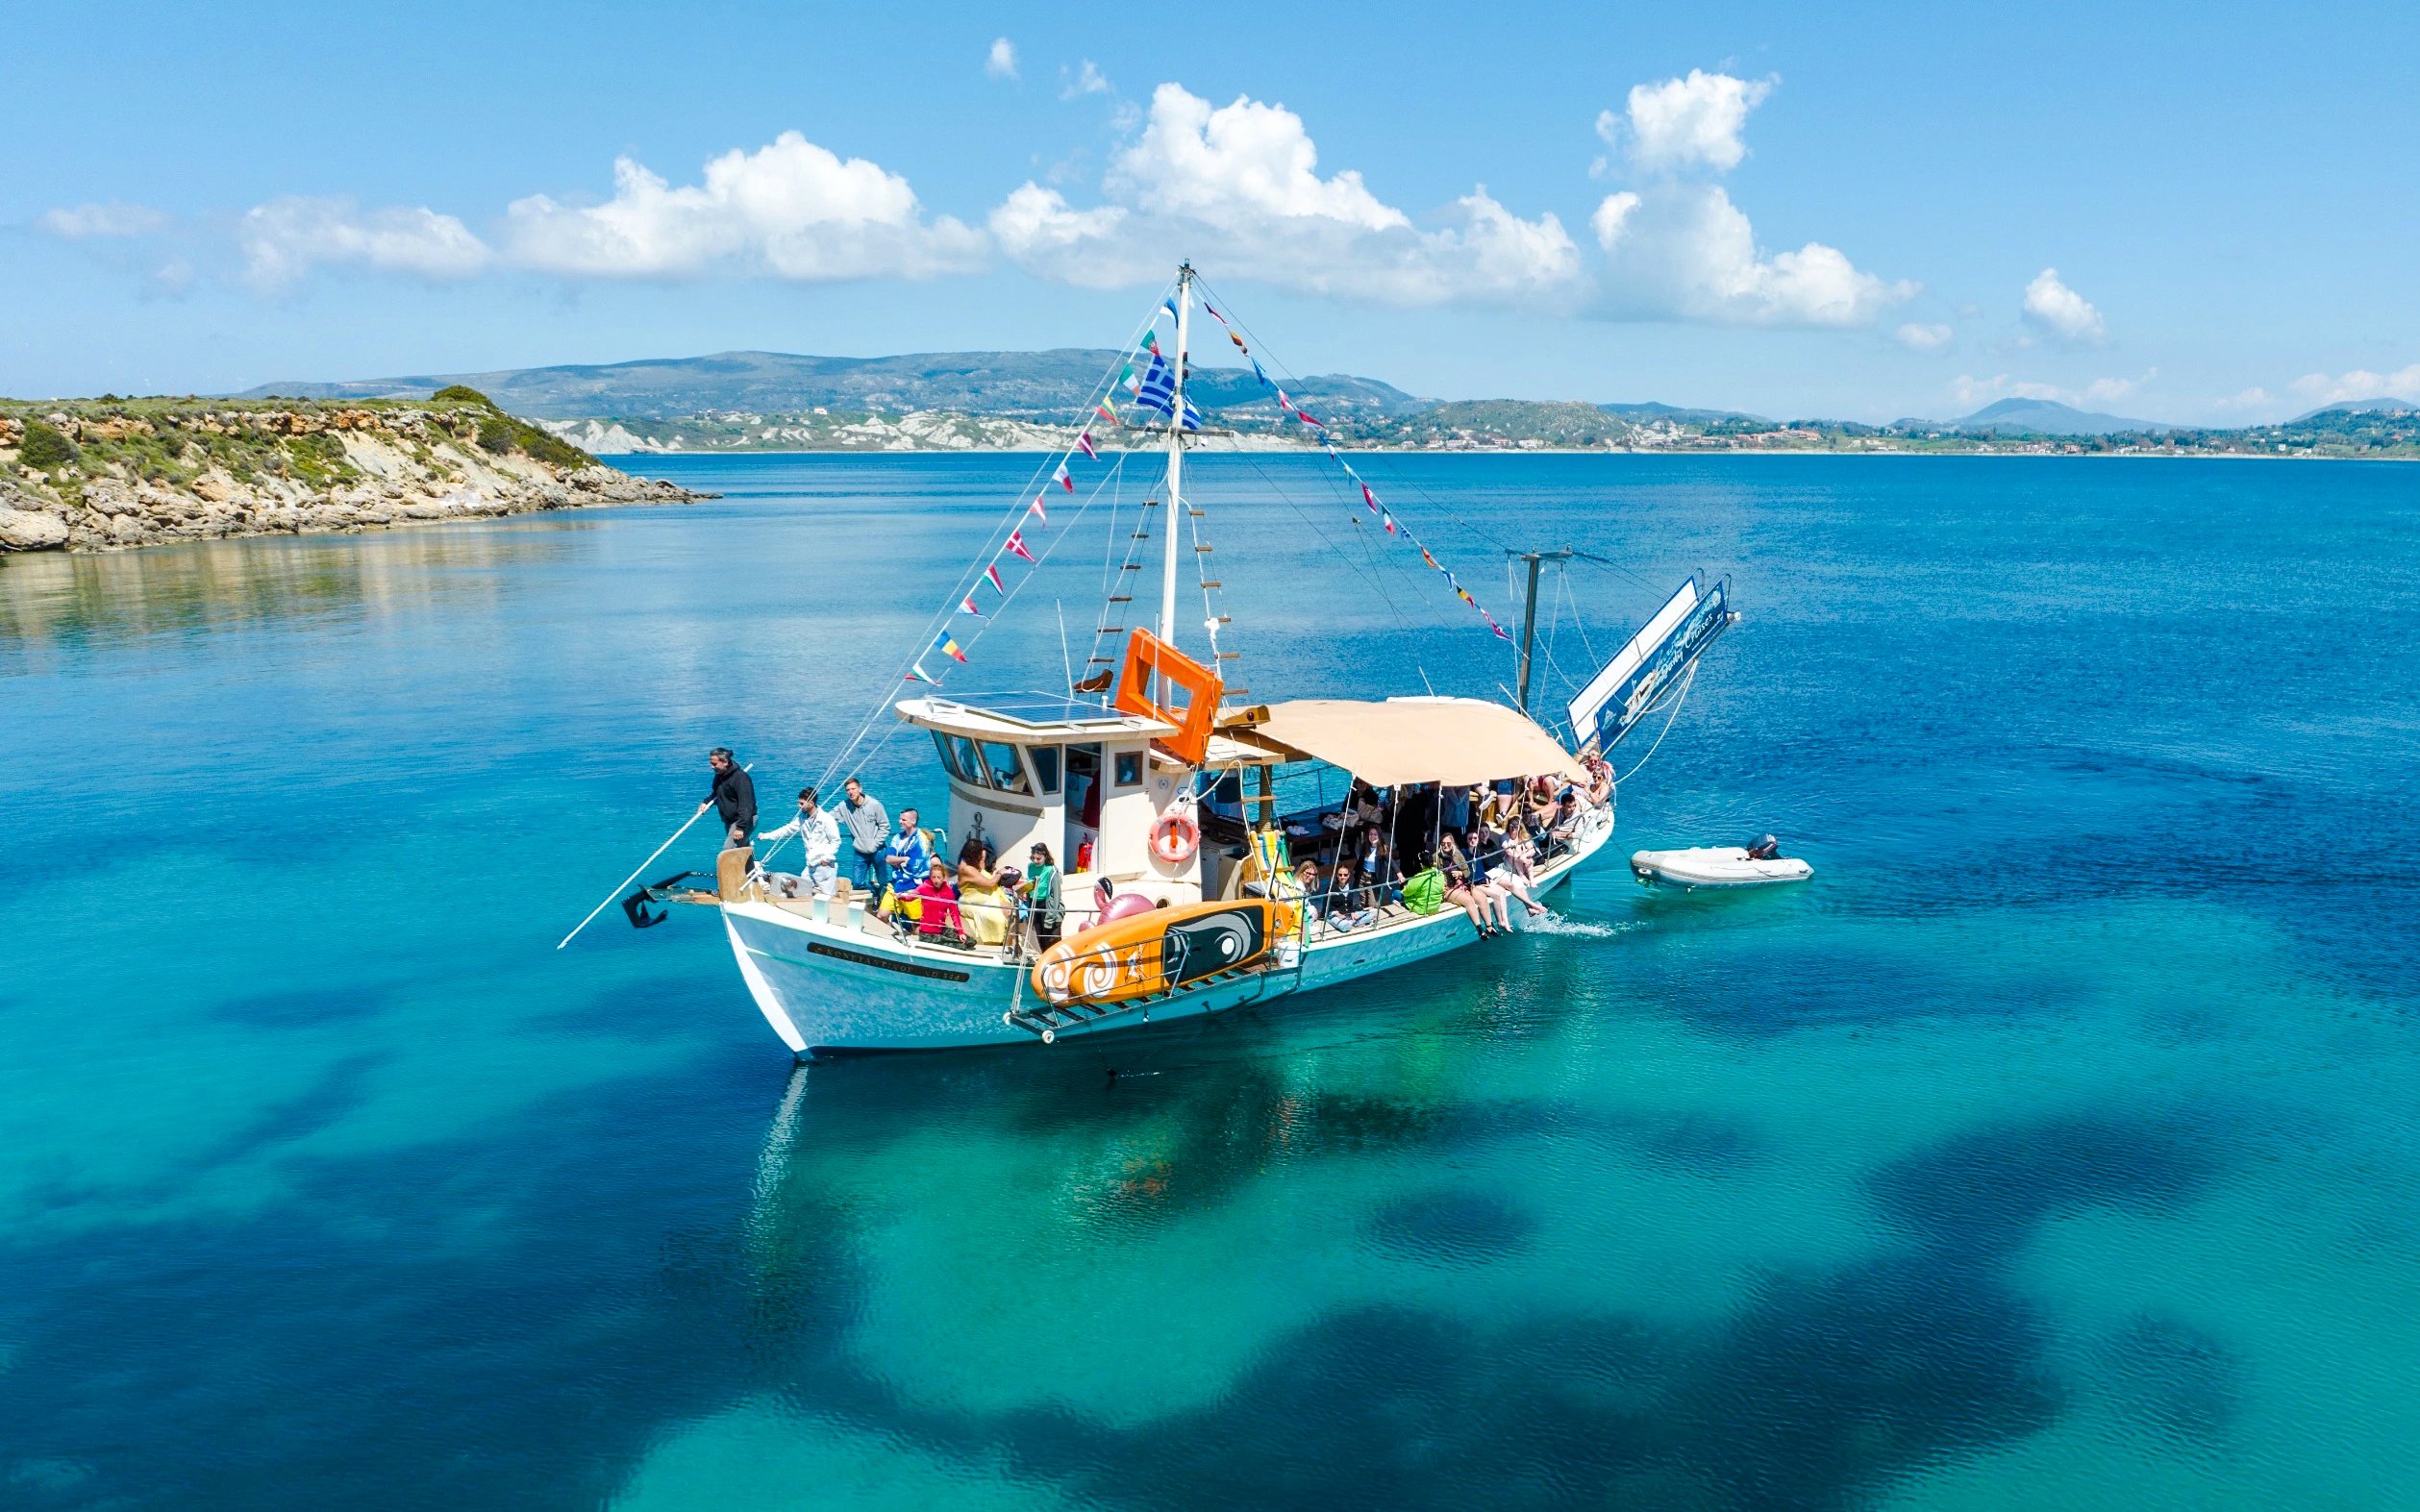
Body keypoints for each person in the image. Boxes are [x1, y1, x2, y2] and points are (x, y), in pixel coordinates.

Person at [758, 786, 841, 898]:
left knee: (828, 897)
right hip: (810, 865)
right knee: (802, 890)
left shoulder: (827, 819)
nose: (799, 806)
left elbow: (835, 841)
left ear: (811, 803)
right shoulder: (802, 819)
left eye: (802, 803)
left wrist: (826, 858)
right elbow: (786, 830)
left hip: (823, 866)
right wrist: (767, 836)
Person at [956, 834, 1011, 948]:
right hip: (969, 899)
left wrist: (981, 859)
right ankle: (998, 941)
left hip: (980, 895)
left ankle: (1008, 943)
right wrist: (1000, 873)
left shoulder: (969, 861)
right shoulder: (966, 868)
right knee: (995, 916)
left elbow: (981, 869)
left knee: (1010, 909)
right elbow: (990, 883)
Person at [698, 748, 756, 855]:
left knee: (728, 851)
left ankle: (731, 871)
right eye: (711, 763)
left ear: (725, 762)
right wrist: (706, 802)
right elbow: (717, 794)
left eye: (714, 764)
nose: (712, 767)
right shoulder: (719, 776)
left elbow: (746, 804)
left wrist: (740, 827)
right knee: (742, 848)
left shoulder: (741, 778)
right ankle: (750, 870)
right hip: (730, 820)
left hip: (742, 820)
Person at [836, 777, 888, 891]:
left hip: (878, 849)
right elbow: (829, 819)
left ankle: (882, 899)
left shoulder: (874, 804)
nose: (850, 792)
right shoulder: (844, 806)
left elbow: (885, 826)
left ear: (860, 789)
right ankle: (875, 893)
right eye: (848, 790)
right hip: (860, 850)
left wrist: (875, 844)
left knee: (883, 881)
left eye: (853, 789)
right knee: (857, 883)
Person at [1018, 842, 1064, 949]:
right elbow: (1031, 883)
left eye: (1038, 859)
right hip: (1035, 905)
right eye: (1033, 858)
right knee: (1041, 940)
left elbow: (1056, 896)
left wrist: (1050, 919)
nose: (1035, 861)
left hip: (1048, 907)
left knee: (1052, 942)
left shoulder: (1052, 871)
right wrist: (1024, 891)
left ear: (1045, 857)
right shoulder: (1031, 867)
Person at [909, 858, 963, 941]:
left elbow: (954, 913)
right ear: (930, 877)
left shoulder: (948, 891)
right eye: (933, 877)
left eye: (938, 877)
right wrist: (900, 895)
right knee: (955, 944)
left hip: (941, 929)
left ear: (943, 878)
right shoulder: (924, 887)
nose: (936, 880)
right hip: (927, 932)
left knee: (969, 941)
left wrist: (960, 932)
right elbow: (909, 897)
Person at [883, 808, 932, 897]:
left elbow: (913, 867)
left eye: (903, 820)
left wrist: (896, 861)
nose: (900, 821)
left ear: (913, 821)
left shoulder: (922, 840)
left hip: (914, 887)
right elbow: (888, 858)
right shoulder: (897, 837)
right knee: (882, 911)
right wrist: (904, 859)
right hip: (896, 884)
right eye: (900, 819)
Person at [1327, 860, 1380, 931]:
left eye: (1345, 875)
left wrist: (1352, 913)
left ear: (1348, 875)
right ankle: (1355, 923)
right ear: (1337, 875)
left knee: (1375, 913)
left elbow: (1350, 904)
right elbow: (1328, 906)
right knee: (1345, 926)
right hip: (1334, 916)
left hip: (1348, 915)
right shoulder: (1331, 888)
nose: (1343, 877)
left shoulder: (1349, 886)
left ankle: (1353, 923)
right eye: (1340, 875)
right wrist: (1338, 914)